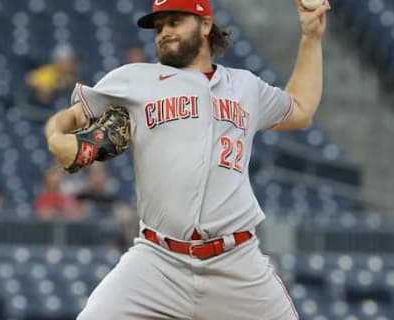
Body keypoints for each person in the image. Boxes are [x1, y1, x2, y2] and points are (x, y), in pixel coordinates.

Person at [44, 0, 328, 318]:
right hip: (158, 261)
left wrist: (311, 38)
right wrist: (57, 138)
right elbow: (69, 118)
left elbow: (301, 109)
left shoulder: (246, 86)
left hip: (236, 263)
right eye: (160, 26)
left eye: (175, 21)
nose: (164, 32)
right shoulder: (134, 79)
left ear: (206, 24)